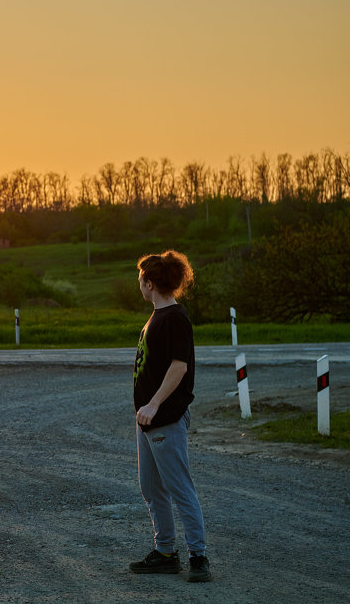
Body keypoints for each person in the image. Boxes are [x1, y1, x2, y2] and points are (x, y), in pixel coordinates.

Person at [127, 249, 211, 583]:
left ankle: (198, 556)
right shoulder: (157, 317)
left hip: (163, 420)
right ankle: (164, 552)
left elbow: (179, 367)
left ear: (150, 283)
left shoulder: (175, 318)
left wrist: (154, 405)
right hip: (147, 422)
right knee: (151, 488)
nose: (139, 285)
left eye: (140, 280)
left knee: (179, 489)